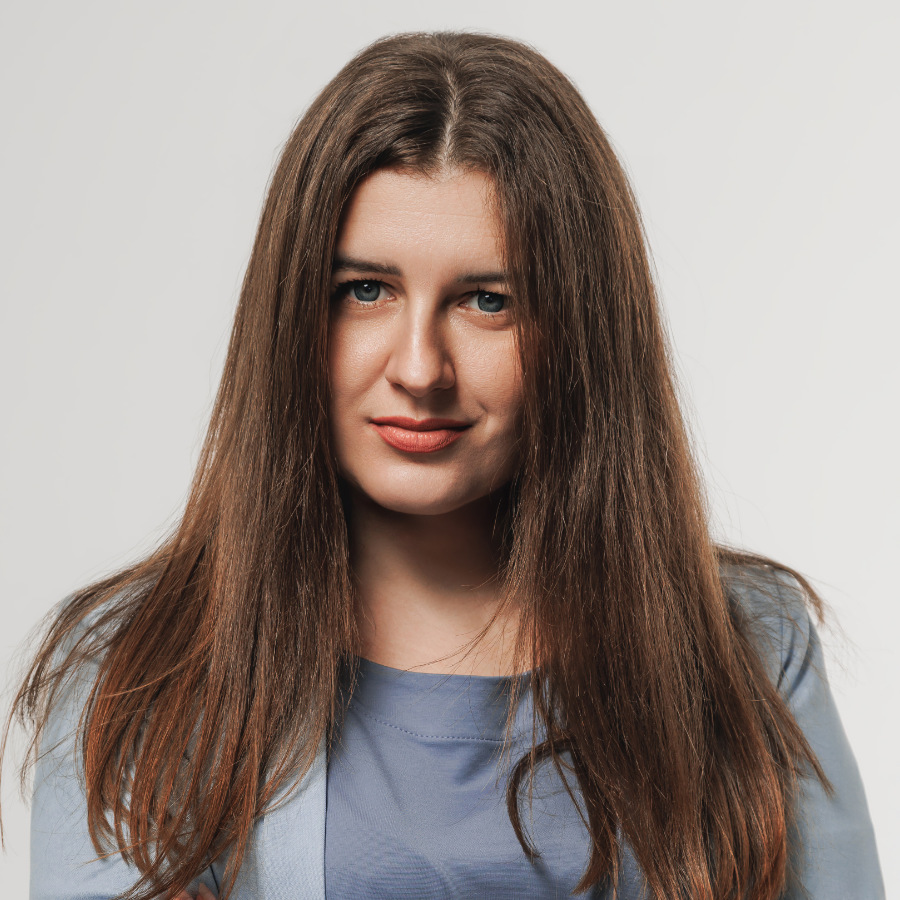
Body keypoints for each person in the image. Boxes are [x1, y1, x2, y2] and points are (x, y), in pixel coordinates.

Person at [0, 30, 885, 900]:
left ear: (582, 334)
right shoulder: (138, 671)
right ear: (290, 314)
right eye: (365, 291)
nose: (420, 369)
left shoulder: (750, 649)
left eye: (488, 301)